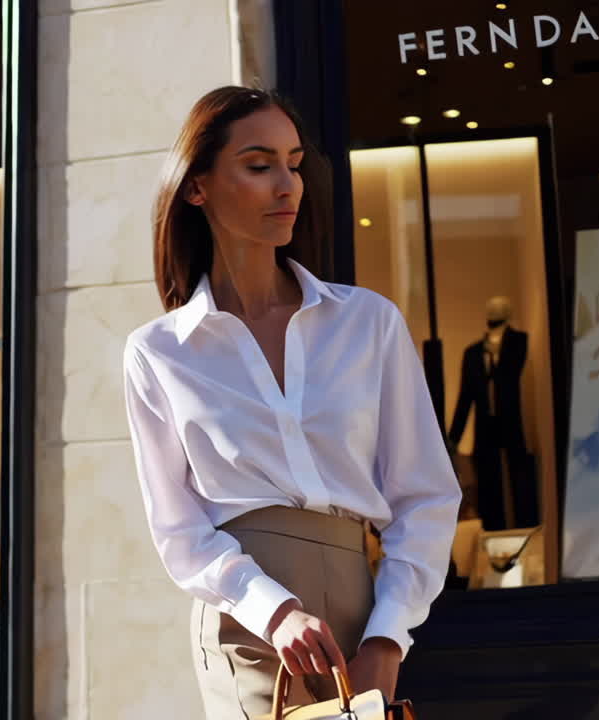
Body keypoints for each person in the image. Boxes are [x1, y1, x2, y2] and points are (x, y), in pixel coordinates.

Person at [122, 86, 461, 717]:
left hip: (363, 611)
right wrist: (271, 610)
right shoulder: (160, 352)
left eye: (294, 163)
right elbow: (179, 530)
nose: (288, 186)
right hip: (248, 629)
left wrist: (387, 638)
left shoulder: (367, 323)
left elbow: (426, 496)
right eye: (259, 166)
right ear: (197, 187)